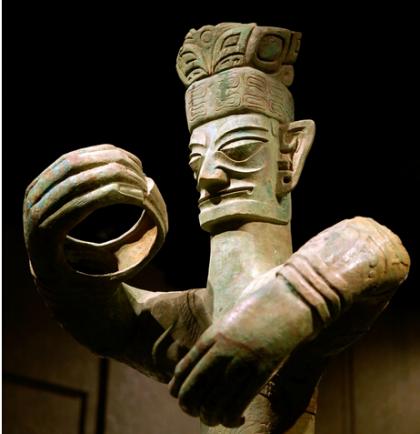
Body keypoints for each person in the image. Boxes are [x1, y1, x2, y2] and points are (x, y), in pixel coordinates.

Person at [23, 23, 410, 433]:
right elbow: (107, 322)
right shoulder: (196, 319)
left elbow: (377, 250)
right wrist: (53, 261)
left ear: (291, 152)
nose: (207, 176)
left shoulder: (309, 316)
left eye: (238, 150)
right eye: (197, 160)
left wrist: (290, 303)